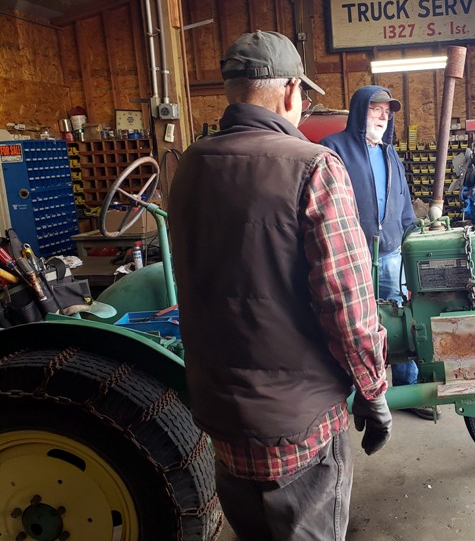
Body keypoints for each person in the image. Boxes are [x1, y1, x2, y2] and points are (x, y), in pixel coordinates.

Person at [169, 31, 392, 541]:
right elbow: (349, 308)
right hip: (301, 423)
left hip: (222, 414)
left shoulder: (190, 166)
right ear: (291, 92)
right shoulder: (314, 167)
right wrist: (374, 390)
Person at [320, 85, 439, 420]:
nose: (382, 118)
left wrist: (413, 233)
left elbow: (402, 203)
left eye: (387, 113)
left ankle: (406, 390)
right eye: (376, 110)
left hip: (389, 256)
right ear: (360, 112)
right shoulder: (333, 148)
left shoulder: (390, 154)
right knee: (352, 325)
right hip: (351, 257)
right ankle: (353, 394)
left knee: (401, 321)